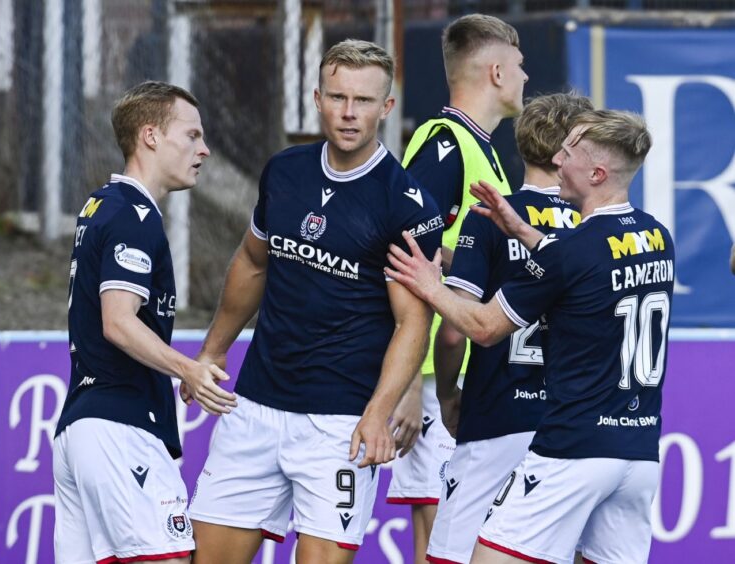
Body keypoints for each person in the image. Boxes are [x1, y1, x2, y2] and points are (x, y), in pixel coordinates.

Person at [187, 40, 443, 564]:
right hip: (255, 406)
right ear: (317, 98)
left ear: (386, 107)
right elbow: (253, 263)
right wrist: (213, 351)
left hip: (339, 424)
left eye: (364, 101)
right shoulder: (284, 171)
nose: (349, 113)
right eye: (338, 97)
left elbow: (412, 324)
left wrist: (378, 412)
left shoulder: (406, 202)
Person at [386, 109, 674, 564]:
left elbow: (482, 328)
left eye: (570, 152)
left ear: (597, 173)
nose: (558, 159)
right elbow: (584, 267)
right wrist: (521, 230)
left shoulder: (573, 252)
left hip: (571, 450)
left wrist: (429, 285)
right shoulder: (657, 236)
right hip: (638, 455)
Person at [53, 81, 238, 564]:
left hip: (82, 427)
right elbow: (118, 321)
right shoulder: (134, 214)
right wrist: (189, 369)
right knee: (169, 557)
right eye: (192, 135)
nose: (204, 149)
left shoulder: (103, 204)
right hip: (118, 425)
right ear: (151, 136)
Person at [425, 92, 593, 564]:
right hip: (572, 426)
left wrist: (446, 395)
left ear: (521, 147)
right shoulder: (592, 227)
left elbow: (456, 328)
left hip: (497, 415)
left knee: (454, 556)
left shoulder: (492, 216)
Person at [387, 15, 528, 562]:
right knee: (436, 532)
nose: (524, 76)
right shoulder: (445, 144)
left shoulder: (485, 150)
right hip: (424, 377)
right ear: (495, 71)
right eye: (518, 66)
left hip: (460, 367)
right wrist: (402, 385)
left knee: (461, 534)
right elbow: (402, 251)